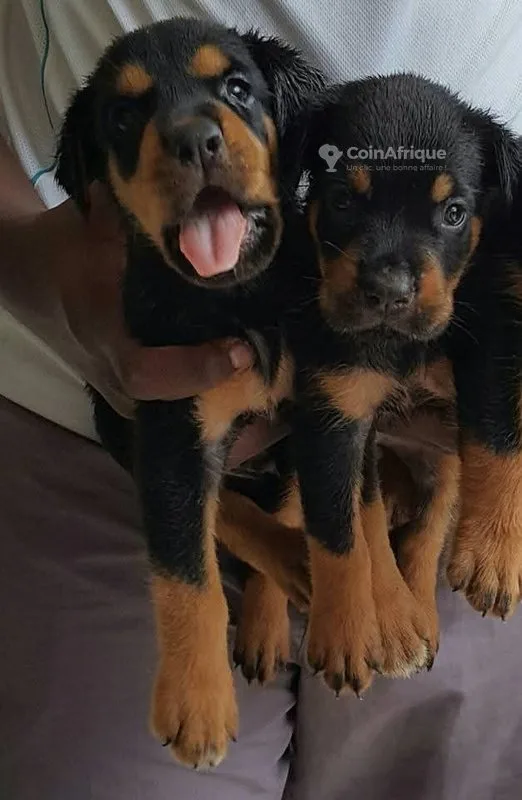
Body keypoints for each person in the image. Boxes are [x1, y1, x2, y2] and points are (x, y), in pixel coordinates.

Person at [1, 2, 522, 798]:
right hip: (87, 425)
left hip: (458, 440)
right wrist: (26, 259)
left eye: (235, 92)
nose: (194, 133)